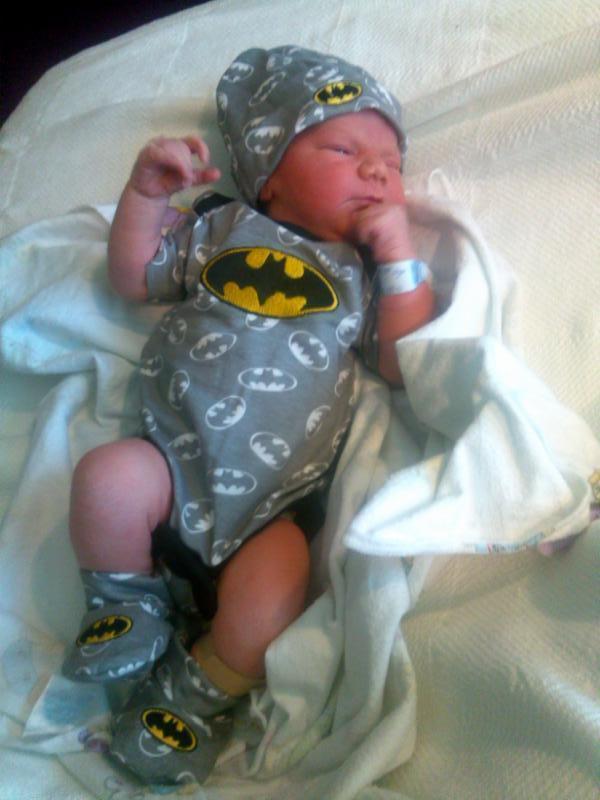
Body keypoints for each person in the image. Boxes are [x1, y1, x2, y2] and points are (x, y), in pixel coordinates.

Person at [62, 45, 435, 783]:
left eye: (391, 164)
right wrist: (144, 196)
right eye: (344, 150)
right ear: (270, 175)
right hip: (168, 463)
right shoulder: (224, 228)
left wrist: (398, 260)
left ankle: (197, 692)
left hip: (274, 507)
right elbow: (134, 277)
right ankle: (123, 601)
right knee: (106, 478)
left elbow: (403, 364)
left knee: (276, 593)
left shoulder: (364, 277)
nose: (376, 172)